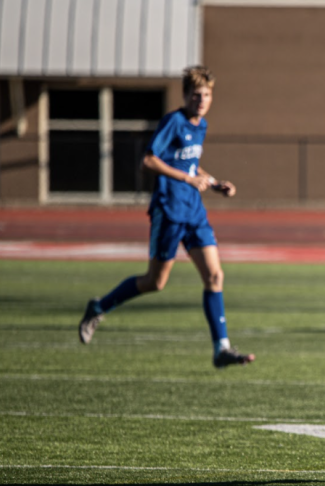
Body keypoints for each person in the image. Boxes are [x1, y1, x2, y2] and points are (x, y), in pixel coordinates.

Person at [78, 66, 254, 369]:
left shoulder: (201, 125)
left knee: (214, 276)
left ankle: (220, 348)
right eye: (196, 95)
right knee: (155, 282)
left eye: (207, 95)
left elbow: (189, 163)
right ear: (185, 95)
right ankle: (99, 306)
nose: (202, 100)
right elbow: (149, 160)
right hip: (170, 209)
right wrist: (187, 181)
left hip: (194, 211)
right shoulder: (173, 121)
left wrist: (213, 183)